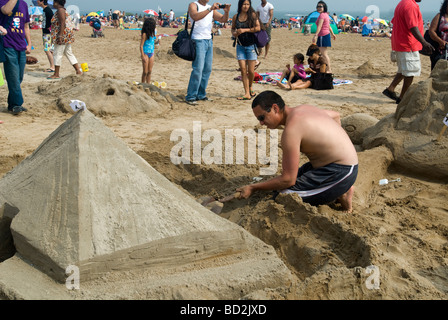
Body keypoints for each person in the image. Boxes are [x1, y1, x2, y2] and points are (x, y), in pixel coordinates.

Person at [236, 91, 358, 213]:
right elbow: (336, 115)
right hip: (335, 165)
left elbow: (288, 179)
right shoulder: (304, 108)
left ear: (275, 108)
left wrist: (253, 187)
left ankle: (343, 192)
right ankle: (340, 187)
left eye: (262, 118)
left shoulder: (291, 131)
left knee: (283, 196)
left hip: (340, 171)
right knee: (279, 187)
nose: (261, 123)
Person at [382, 0, 434, 104]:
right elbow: (413, 27)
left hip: (400, 42)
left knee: (404, 69)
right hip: (408, 44)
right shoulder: (410, 5)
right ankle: (402, 98)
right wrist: (424, 42)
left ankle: (390, 89)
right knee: (410, 72)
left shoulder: (403, 3)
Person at [185, 1, 231, 105]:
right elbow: (195, 16)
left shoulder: (210, 8)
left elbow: (223, 19)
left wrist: (227, 12)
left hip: (208, 40)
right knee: (198, 69)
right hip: (198, 40)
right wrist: (210, 9)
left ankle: (201, 94)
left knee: (207, 69)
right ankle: (191, 96)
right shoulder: (194, 5)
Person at [0, 0, 31, 115]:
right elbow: (6, 10)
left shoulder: (23, 4)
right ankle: (17, 104)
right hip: (7, 44)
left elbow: (26, 26)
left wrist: (29, 43)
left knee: (18, 77)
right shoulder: (2, 2)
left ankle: (12, 104)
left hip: (21, 45)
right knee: (13, 76)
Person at [232, 0, 261, 100]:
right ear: (240, 5)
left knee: (251, 71)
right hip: (240, 46)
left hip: (251, 46)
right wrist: (235, 33)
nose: (246, 6)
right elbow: (232, 28)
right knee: (243, 70)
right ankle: (247, 93)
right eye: (244, 4)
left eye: (248, 4)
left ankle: (251, 86)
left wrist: (244, 30)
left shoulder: (252, 15)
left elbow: (258, 28)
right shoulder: (236, 16)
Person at [48, 0, 82, 80]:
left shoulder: (60, 10)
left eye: (53, 2)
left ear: (57, 2)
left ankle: (56, 74)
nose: (53, 4)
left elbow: (62, 23)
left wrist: (60, 36)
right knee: (68, 53)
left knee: (57, 53)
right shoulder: (63, 10)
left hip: (62, 35)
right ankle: (78, 70)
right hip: (66, 35)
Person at [312, 1, 336, 74]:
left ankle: (329, 69)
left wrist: (315, 35)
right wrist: (333, 34)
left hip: (323, 35)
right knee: (323, 54)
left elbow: (320, 26)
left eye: (321, 6)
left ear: (324, 7)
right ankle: (325, 68)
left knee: (324, 54)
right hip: (325, 35)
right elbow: (328, 26)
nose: (319, 8)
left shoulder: (322, 15)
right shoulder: (326, 15)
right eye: (318, 6)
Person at [428, 0, 448, 70]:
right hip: (440, 50)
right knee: (438, 74)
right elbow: (431, 31)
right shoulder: (439, 16)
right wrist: (440, 41)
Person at [37, 0, 54, 73]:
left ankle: (52, 67)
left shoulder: (48, 10)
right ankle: (52, 66)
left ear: (42, 1)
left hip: (48, 33)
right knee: (50, 50)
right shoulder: (45, 10)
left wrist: (49, 27)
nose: (37, 2)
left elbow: (53, 20)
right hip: (46, 33)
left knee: (47, 49)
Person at [140, 17, 158, 84]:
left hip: (152, 53)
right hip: (145, 53)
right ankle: (142, 84)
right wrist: (142, 56)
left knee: (150, 71)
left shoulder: (153, 33)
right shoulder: (144, 34)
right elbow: (141, 46)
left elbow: (154, 40)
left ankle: (148, 84)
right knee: (145, 72)